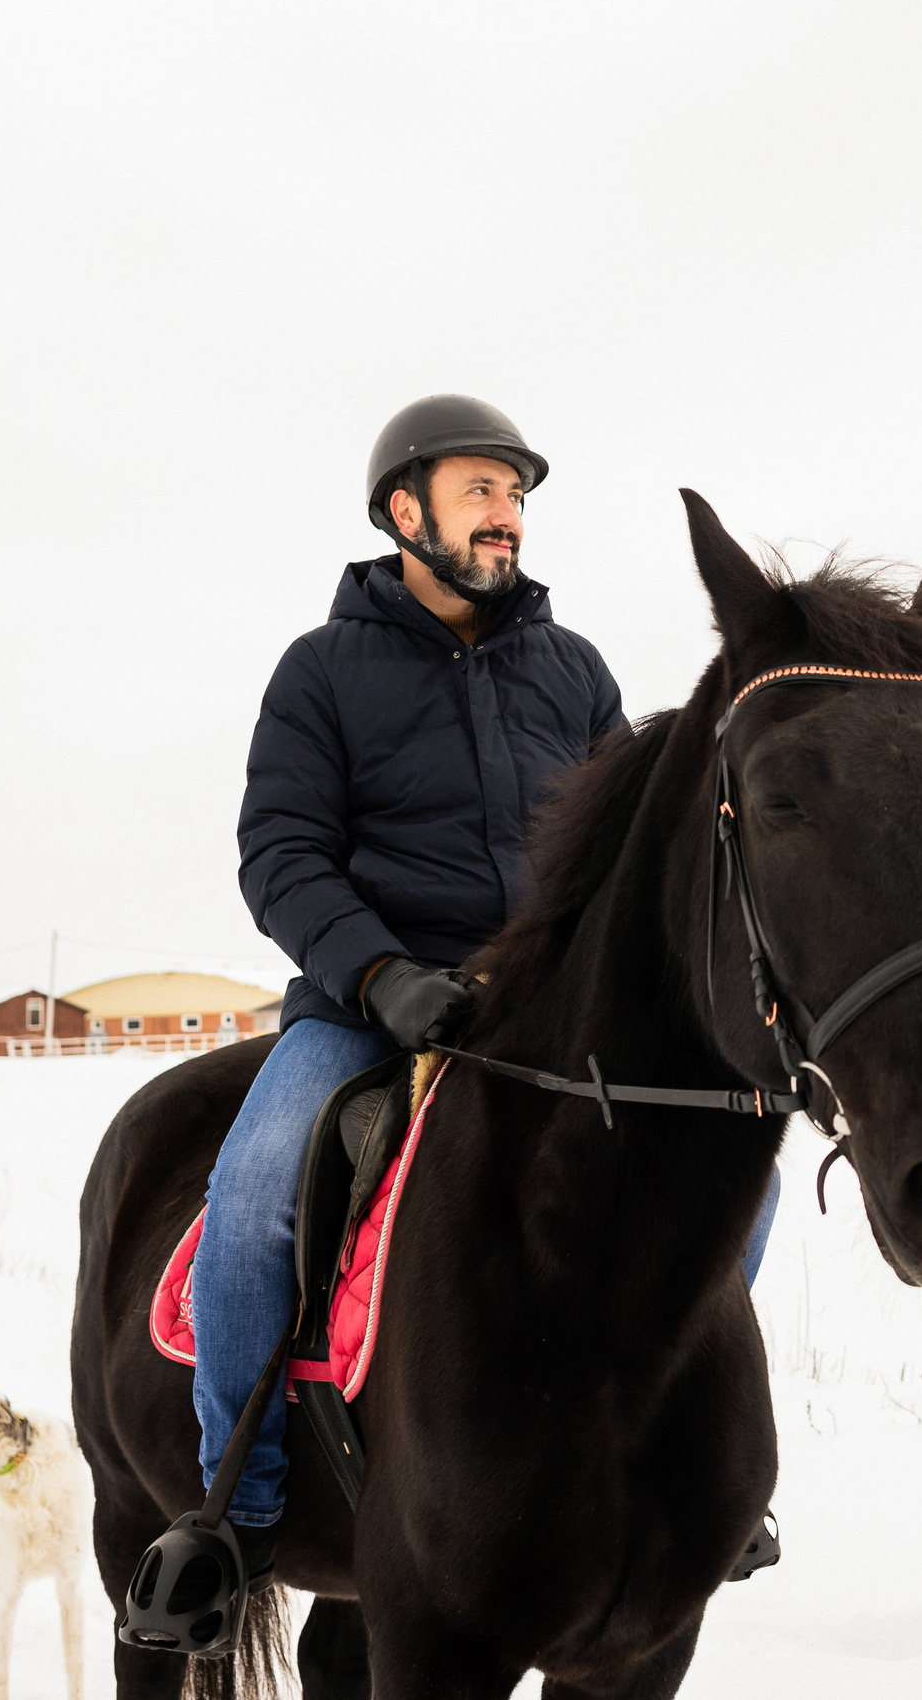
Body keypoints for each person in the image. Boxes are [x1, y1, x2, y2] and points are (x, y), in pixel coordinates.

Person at [183, 394, 784, 1585]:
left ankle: (665, 1450)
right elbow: (281, 854)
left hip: (550, 1008)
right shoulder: (321, 670)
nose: (505, 516)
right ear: (404, 512)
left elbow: (636, 850)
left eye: (515, 496)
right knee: (252, 1203)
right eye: (479, 492)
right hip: (369, 1006)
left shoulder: (573, 673)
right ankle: (230, 1510)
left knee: (735, 1176)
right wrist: (378, 972)